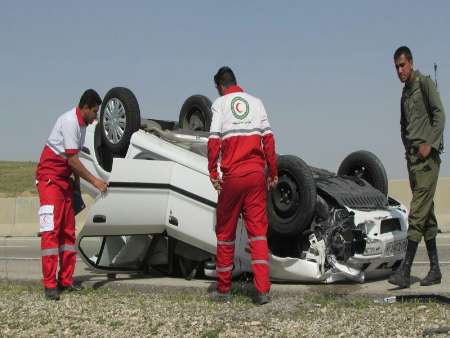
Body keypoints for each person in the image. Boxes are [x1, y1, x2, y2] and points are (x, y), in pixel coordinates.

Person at [207, 66, 278, 305]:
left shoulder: (220, 104)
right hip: (257, 176)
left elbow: (214, 140)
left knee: (225, 233)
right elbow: (268, 139)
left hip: (234, 177)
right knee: (258, 234)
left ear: (220, 87)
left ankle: (224, 289)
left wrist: (212, 172)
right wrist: (273, 172)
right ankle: (262, 291)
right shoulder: (256, 103)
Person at [36, 89, 108, 300]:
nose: (96, 117)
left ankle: (65, 281)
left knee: (68, 233)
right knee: (51, 231)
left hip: (64, 180)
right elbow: (72, 160)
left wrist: (76, 187)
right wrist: (95, 181)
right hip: (49, 180)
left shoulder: (82, 125)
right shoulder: (69, 122)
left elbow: (74, 159)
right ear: (85, 107)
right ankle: (50, 285)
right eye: (94, 112)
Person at [389, 46, 445, 288]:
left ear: (410, 63)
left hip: (428, 161)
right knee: (427, 216)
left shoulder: (425, 84)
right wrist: (408, 147)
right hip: (413, 161)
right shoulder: (405, 94)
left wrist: (429, 145)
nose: (400, 70)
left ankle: (406, 269)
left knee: (417, 212)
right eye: (396, 67)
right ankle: (434, 270)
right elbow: (403, 126)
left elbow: (440, 115)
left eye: (402, 65)